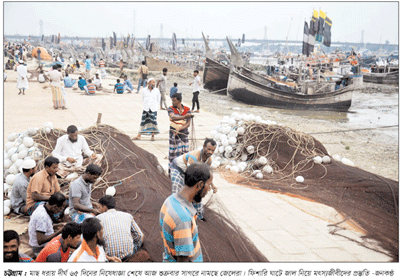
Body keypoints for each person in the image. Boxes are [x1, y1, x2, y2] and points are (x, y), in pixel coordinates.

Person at [160, 162, 213, 262]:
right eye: (209, 184)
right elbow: (183, 261)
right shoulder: (183, 219)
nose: (209, 189)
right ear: (200, 184)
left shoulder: (170, 200)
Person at [170, 138, 217, 220]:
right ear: (203, 147)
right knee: (178, 191)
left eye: (213, 150)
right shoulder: (194, 156)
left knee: (198, 191)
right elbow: (190, 173)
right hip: (178, 169)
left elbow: (207, 175)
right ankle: (175, 213)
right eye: (209, 149)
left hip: (190, 172)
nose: (210, 152)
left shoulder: (209, 160)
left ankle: (199, 215)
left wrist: (212, 185)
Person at [97, 195, 145, 261]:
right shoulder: (127, 215)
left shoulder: (98, 218)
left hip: (109, 256)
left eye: (99, 207)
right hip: (128, 254)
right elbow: (140, 235)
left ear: (104, 207)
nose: (99, 210)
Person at [28, 192, 66, 256]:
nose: (61, 210)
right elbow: (40, 240)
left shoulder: (43, 206)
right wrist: (59, 231)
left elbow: (43, 226)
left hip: (42, 244)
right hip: (40, 248)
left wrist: (56, 226)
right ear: (54, 207)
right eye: (61, 208)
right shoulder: (42, 216)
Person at [168, 93, 193, 169]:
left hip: (184, 133)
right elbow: (173, 117)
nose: (173, 102)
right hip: (173, 133)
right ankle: (171, 170)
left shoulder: (187, 109)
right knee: (173, 153)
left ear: (180, 100)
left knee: (183, 153)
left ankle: (182, 170)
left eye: (174, 101)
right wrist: (184, 117)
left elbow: (188, 124)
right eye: (172, 101)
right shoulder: (170, 108)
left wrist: (179, 128)